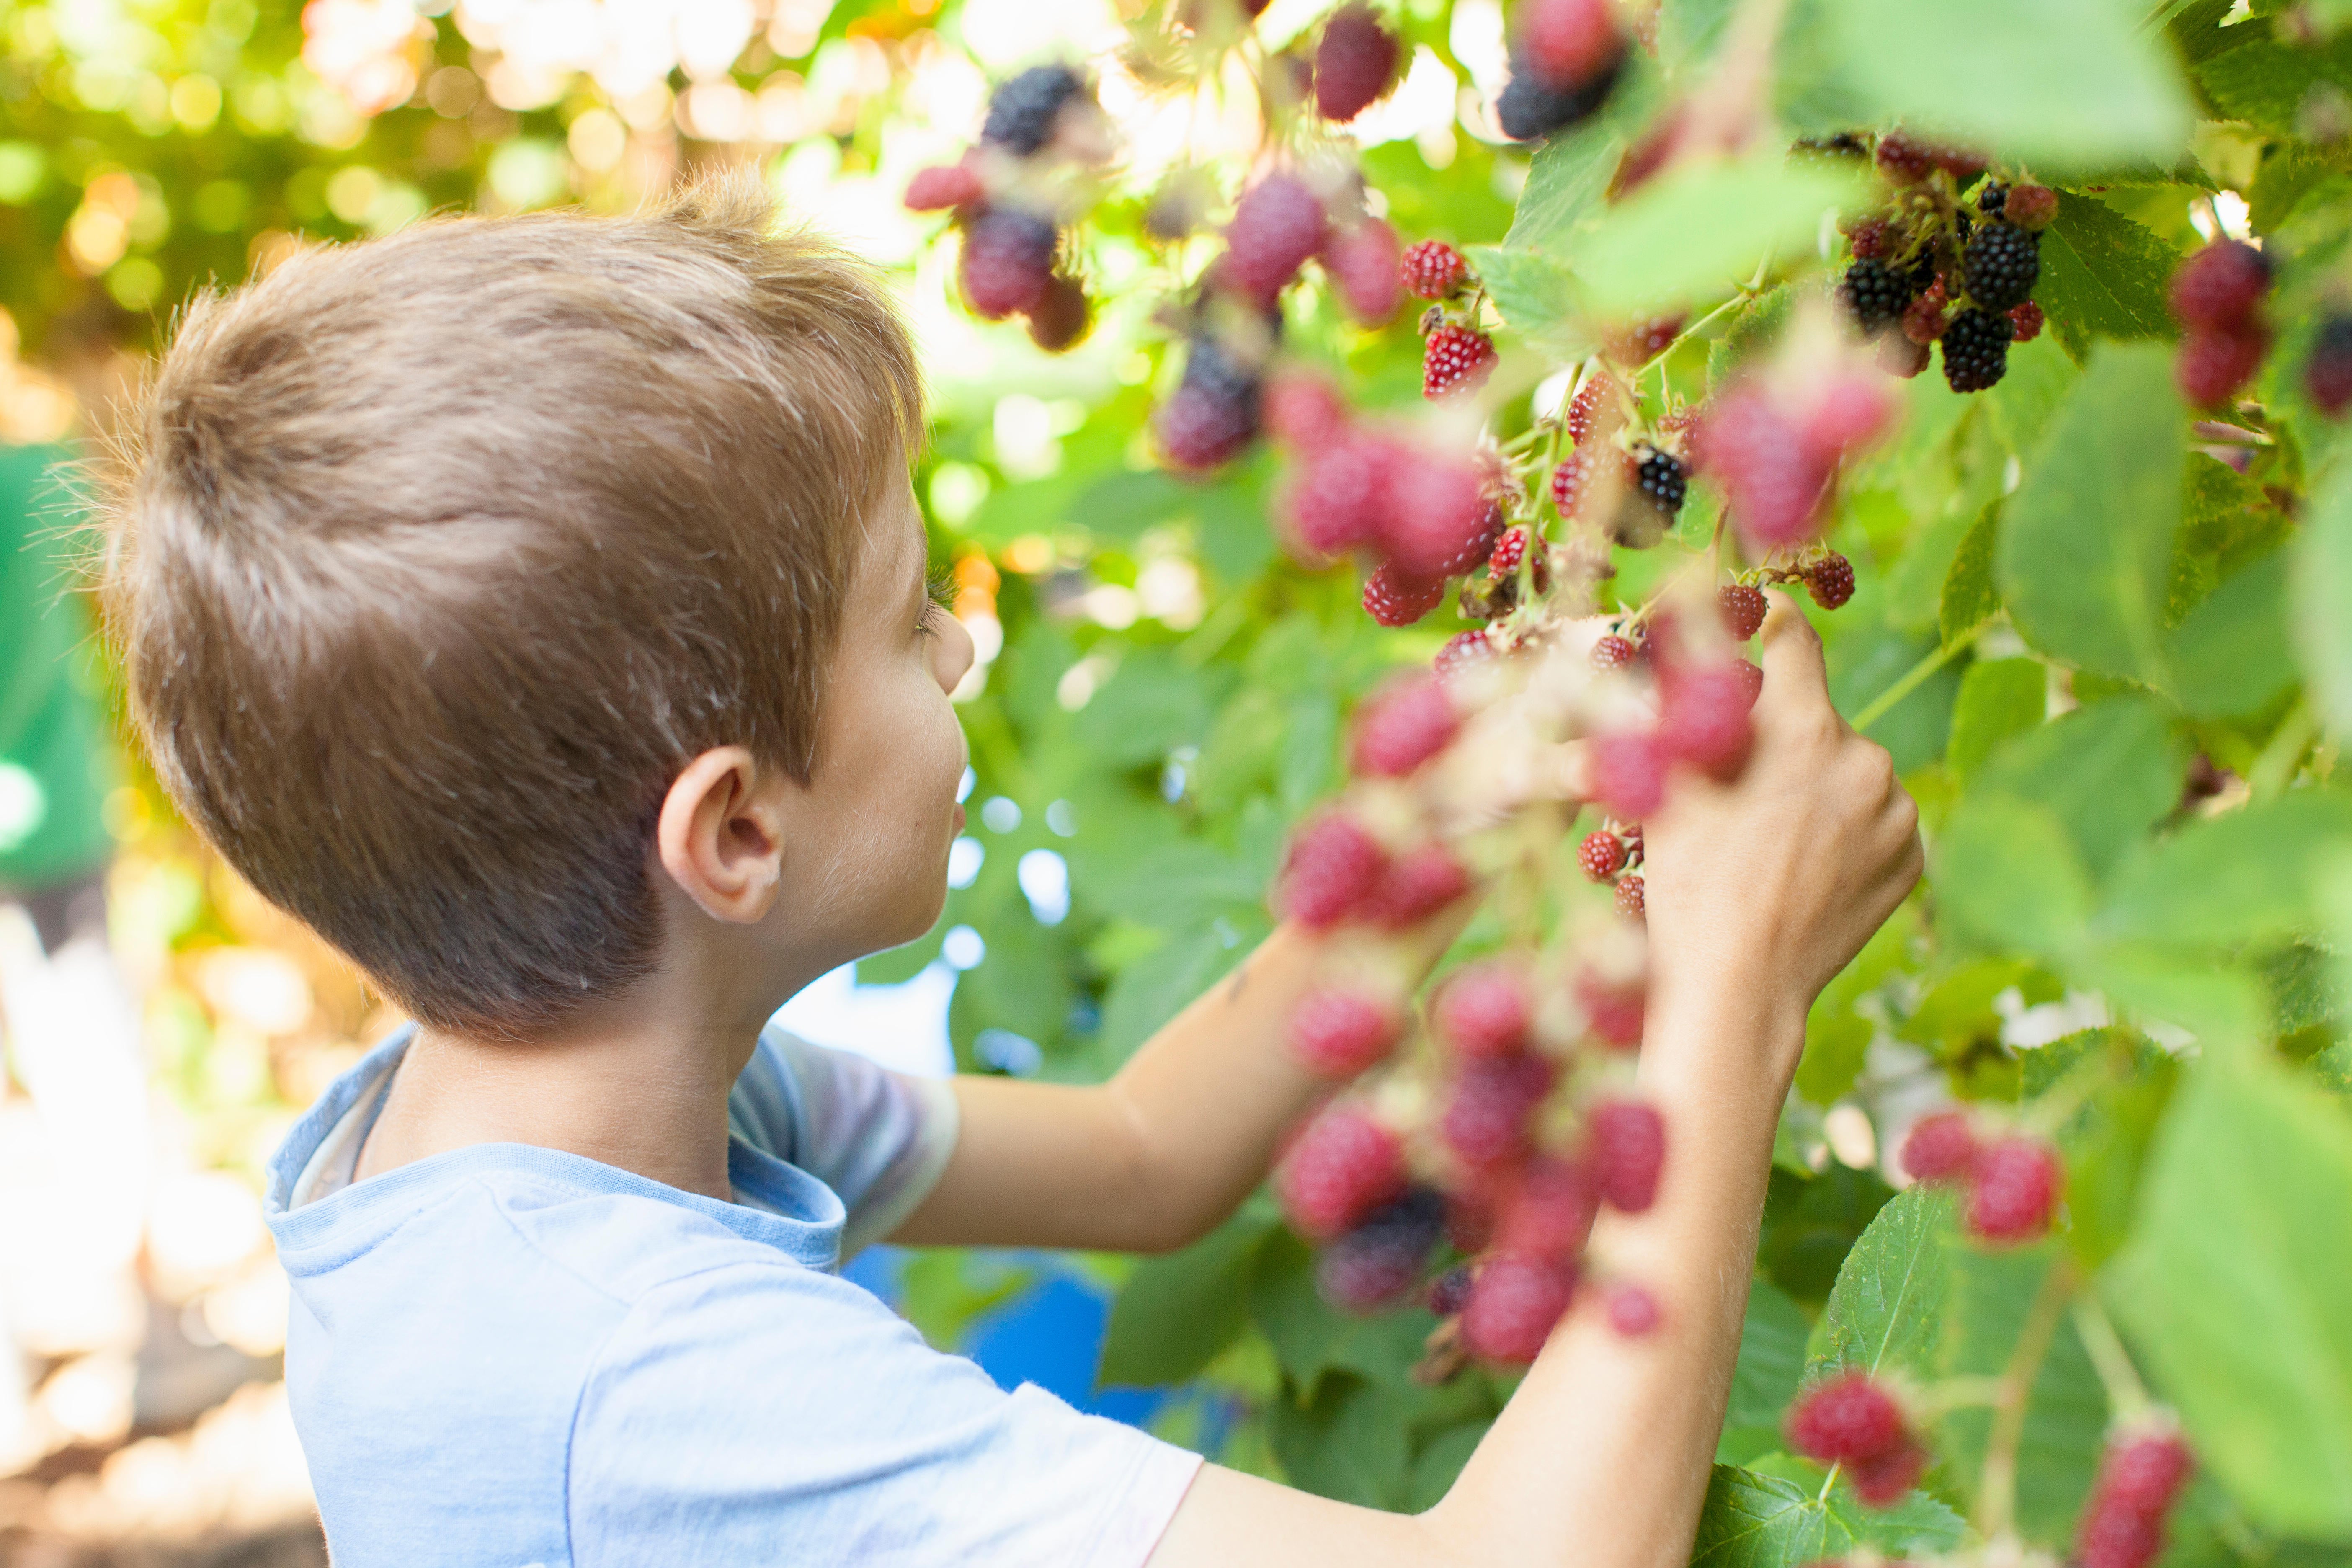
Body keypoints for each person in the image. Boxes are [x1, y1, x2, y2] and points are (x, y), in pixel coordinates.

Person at [93, 175, 1920, 1568]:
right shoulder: (646, 1381)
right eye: (912, 631)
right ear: (736, 833)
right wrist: (1729, 984)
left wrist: (1458, 812)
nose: (964, 659)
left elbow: (1147, 1156)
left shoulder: (563, 1107)